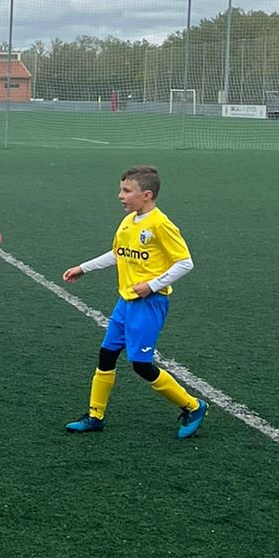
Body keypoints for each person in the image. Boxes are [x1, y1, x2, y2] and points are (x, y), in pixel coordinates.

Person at [62, 164, 206, 438]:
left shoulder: (161, 224)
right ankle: (95, 416)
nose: (121, 195)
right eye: (121, 189)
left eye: (127, 191)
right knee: (106, 355)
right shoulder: (129, 221)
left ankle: (193, 406)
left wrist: (152, 285)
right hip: (125, 302)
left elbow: (185, 263)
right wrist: (83, 268)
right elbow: (118, 253)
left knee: (141, 364)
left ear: (147, 195)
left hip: (149, 304)